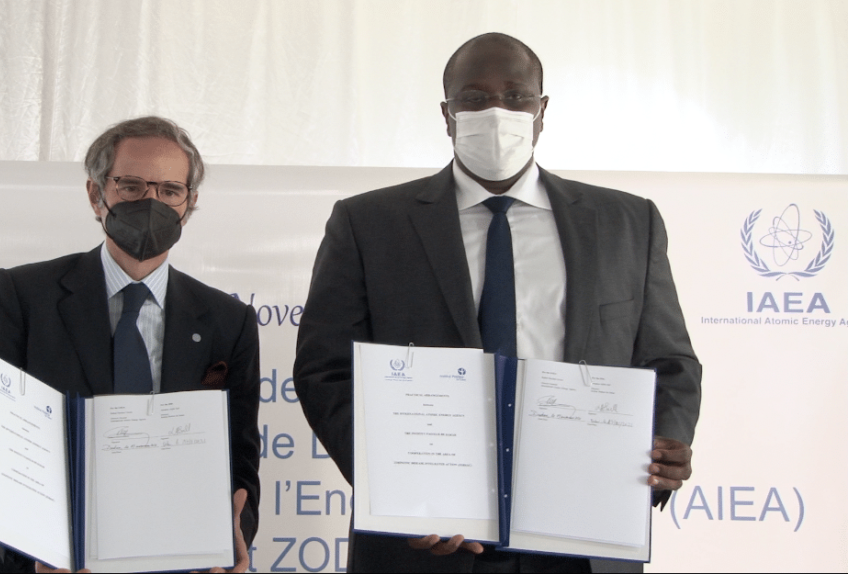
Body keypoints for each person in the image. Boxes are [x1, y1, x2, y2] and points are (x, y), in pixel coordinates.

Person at [293, 33, 700, 573]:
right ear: (447, 115)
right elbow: (325, 370)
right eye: (474, 98)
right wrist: (399, 489)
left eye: (515, 96)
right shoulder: (369, 223)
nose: (496, 111)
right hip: (421, 542)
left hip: (584, 533)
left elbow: (670, 362)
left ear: (541, 109)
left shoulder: (626, 222)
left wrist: (664, 443)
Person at [0, 116, 260, 573]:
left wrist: (229, 540)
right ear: (96, 194)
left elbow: (240, 463)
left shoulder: (228, 322)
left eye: (170, 190)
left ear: (189, 203)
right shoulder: (21, 296)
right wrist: (36, 545)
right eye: (131, 186)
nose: (151, 203)